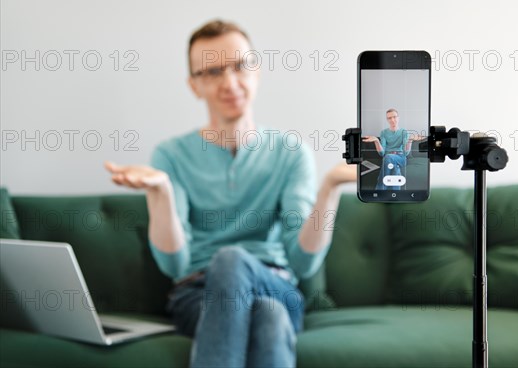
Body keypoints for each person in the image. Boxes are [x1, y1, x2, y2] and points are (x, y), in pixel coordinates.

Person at [104, 19, 355, 368]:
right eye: (212, 72)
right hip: (198, 294)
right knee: (268, 317)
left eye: (239, 66)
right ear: (194, 86)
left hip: (275, 284)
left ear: (257, 71)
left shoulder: (291, 152)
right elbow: (174, 264)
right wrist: (160, 193)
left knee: (235, 263)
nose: (230, 82)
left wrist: (329, 189)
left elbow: (303, 262)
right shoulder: (170, 156)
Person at [362, 108, 413, 190]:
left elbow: (405, 153)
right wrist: (376, 141)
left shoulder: (404, 132)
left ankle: (379, 190)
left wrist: (410, 140)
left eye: (394, 117)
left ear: (398, 118)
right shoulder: (383, 133)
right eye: (389, 118)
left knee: (388, 157)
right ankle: (396, 194)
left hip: (400, 158)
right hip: (388, 159)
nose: (392, 120)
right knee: (395, 170)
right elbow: (382, 153)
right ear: (387, 120)